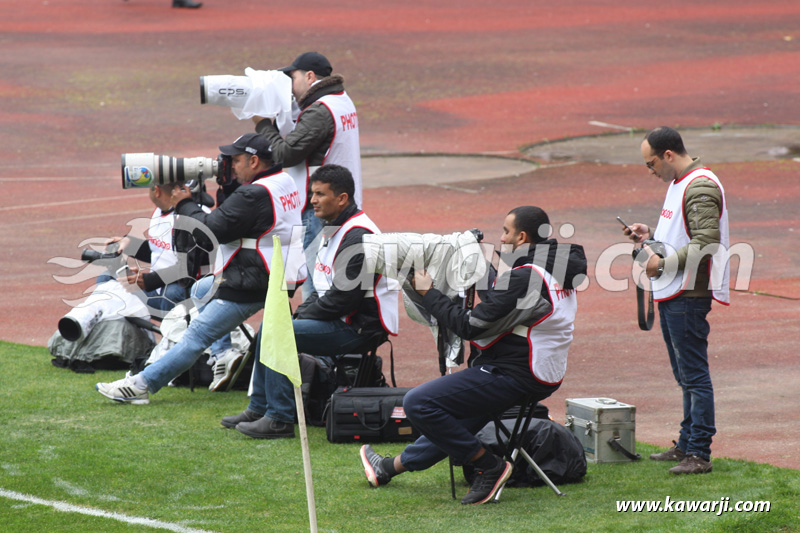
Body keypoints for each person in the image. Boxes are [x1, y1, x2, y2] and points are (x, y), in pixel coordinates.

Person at [359, 206, 587, 505]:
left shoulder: (525, 277)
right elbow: (502, 304)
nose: (501, 238)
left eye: (505, 232)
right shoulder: (557, 266)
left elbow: (470, 326)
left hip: (516, 373)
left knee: (419, 403)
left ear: (521, 236)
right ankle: (389, 468)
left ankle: (490, 466)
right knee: (460, 419)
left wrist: (429, 293)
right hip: (543, 373)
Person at [96, 133, 305, 404]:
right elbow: (238, 217)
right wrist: (229, 185)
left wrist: (184, 203)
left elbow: (208, 230)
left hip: (252, 280)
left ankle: (141, 385)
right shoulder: (282, 181)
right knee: (200, 288)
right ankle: (223, 351)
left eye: (236, 160)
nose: (230, 165)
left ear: (254, 161)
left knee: (196, 335)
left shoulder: (255, 194)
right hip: (273, 271)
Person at [220, 164, 398, 439]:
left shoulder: (358, 236)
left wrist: (301, 316)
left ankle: (279, 419)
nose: (312, 200)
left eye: (319, 194)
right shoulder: (335, 227)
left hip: (359, 328)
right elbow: (324, 288)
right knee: (273, 325)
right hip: (341, 318)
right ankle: (259, 408)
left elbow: (342, 300)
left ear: (342, 198)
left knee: (279, 332)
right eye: (312, 193)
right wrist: (302, 312)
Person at [623, 126, 729, 475]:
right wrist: (650, 236)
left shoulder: (699, 185)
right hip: (675, 290)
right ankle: (687, 443)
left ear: (668, 155)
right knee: (685, 374)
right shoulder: (679, 183)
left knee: (694, 376)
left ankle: (699, 452)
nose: (650, 171)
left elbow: (706, 243)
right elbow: (682, 234)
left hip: (688, 293)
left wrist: (661, 263)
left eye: (651, 163)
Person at [253, 51, 362, 299]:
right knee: (327, 270)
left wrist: (262, 125)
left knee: (316, 277)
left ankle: (313, 329)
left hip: (319, 206)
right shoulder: (341, 99)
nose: (290, 87)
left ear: (309, 76)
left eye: (293, 78)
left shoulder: (320, 111)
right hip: (340, 199)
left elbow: (285, 153)